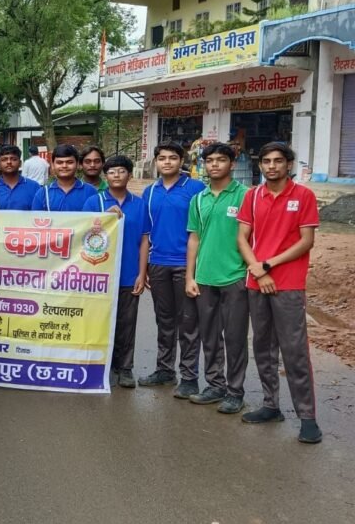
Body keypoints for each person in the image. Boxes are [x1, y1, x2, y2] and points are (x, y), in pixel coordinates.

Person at [236, 142, 322, 444]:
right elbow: (242, 238)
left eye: (278, 161)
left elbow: (306, 241)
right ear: (260, 165)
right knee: (263, 347)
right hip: (256, 282)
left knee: (294, 350)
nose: (272, 166)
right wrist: (258, 270)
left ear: (289, 164)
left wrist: (268, 264)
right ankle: (271, 405)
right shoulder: (252, 196)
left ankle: (307, 417)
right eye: (266, 161)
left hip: (288, 283)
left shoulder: (303, 196)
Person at [184, 143, 250, 413]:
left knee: (235, 338)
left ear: (232, 164)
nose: (214, 164)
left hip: (236, 277)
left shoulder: (246, 196)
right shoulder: (198, 199)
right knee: (209, 337)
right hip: (204, 278)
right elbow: (194, 238)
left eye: (221, 160)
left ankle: (235, 392)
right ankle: (215, 385)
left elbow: (253, 237)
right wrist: (190, 276)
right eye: (209, 160)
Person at [137, 142, 205, 397]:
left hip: (185, 265)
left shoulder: (196, 189)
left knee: (188, 323)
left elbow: (201, 231)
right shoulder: (149, 192)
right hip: (158, 264)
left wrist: (194, 271)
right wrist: (144, 268)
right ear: (156, 162)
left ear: (181, 161)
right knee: (164, 321)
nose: (167, 162)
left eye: (173, 158)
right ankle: (165, 370)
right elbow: (146, 232)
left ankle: (189, 377)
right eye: (162, 158)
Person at [83, 155, 149, 388]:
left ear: (129, 175)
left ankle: (125, 368)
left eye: (122, 171)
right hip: (99, 275)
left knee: (127, 323)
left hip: (129, 272)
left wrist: (142, 273)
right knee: (98, 322)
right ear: (106, 176)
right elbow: (83, 234)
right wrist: (103, 218)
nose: (117, 175)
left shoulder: (139, 204)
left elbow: (144, 240)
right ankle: (102, 365)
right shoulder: (94, 202)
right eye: (112, 172)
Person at [30, 144, 98, 211]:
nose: (64, 166)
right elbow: (35, 217)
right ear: (53, 165)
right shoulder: (43, 194)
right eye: (59, 162)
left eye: (69, 162)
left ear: (77, 164)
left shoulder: (90, 191)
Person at [0, 144, 40, 211]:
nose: (9, 162)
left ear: (20, 163)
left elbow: (40, 215)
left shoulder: (34, 187)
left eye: (13, 159)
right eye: (4, 159)